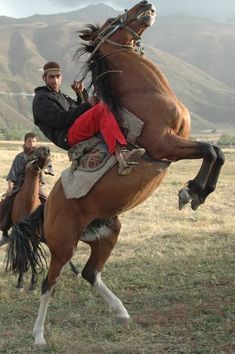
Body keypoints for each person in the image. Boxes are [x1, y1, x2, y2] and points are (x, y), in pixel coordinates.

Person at [33, 61, 145, 175]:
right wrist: (87, 104)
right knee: (100, 109)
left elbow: (79, 111)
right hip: (67, 136)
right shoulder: (41, 99)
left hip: (73, 129)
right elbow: (61, 120)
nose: (55, 80)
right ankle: (121, 154)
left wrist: (81, 93)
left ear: (61, 77)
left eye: (57, 76)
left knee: (103, 102)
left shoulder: (59, 95)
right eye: (51, 77)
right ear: (44, 77)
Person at [0, 132, 53, 246]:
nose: (31, 143)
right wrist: (9, 188)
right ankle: (5, 233)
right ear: (25, 142)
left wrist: (46, 170)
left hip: (36, 186)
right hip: (20, 184)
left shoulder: (41, 155)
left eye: (33, 141)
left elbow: (49, 167)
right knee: (6, 202)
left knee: (48, 203)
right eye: (29, 141)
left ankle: (47, 231)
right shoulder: (19, 157)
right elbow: (12, 173)